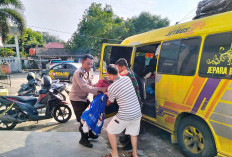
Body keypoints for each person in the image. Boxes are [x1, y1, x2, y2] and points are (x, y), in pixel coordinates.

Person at [104, 64, 142, 157]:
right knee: (133, 134)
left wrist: (106, 96)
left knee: (110, 131)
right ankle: (135, 154)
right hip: (137, 112)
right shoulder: (127, 79)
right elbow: (122, 90)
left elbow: (110, 101)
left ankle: (114, 154)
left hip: (125, 114)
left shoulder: (112, 87)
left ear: (109, 74)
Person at [69, 54, 107, 148]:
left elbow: (90, 85)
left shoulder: (88, 71)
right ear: (82, 62)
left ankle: (90, 134)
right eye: (88, 64)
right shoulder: (79, 73)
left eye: (91, 64)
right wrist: (100, 89)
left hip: (84, 98)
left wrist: (100, 84)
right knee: (83, 120)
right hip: (77, 99)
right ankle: (83, 139)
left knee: (91, 116)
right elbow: (84, 87)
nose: (90, 66)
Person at [115, 58, 142, 150]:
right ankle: (127, 138)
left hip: (134, 104)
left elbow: (117, 76)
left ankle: (130, 145)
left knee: (131, 126)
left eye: (118, 68)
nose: (117, 70)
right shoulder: (130, 73)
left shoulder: (127, 73)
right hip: (132, 102)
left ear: (123, 67)